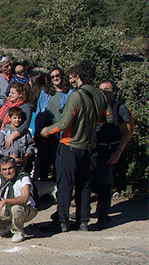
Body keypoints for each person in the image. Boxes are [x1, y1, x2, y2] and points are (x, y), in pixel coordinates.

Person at [42, 61, 106, 232]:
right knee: (84, 185)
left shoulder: (76, 95)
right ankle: (82, 221)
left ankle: (61, 222)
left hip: (70, 145)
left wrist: (47, 130)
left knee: (65, 184)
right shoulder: (100, 95)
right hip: (89, 147)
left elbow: (65, 122)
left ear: (78, 76)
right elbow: (108, 118)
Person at [93, 80, 133, 227]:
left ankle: (103, 215)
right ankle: (84, 211)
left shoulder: (119, 108)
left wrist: (118, 152)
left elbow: (127, 131)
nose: (103, 92)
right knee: (89, 180)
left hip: (109, 149)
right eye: (101, 89)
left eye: (107, 89)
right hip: (94, 148)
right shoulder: (96, 106)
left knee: (105, 182)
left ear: (114, 92)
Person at [0, 157, 37, 243]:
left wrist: (4, 201)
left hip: (26, 209)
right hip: (8, 208)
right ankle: (8, 228)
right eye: (4, 169)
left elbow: (24, 198)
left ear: (15, 167)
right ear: (1, 171)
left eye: (10, 168)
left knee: (15, 208)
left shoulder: (23, 177)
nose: (8, 172)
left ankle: (18, 231)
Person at [0, 83, 33, 155]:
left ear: (21, 94)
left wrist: (11, 137)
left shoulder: (25, 108)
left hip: (14, 140)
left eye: (13, 93)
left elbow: (24, 125)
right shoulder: (8, 105)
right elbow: (1, 120)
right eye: (10, 92)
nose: (9, 94)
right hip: (0, 135)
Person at [0, 107, 35, 173]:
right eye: (15, 118)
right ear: (9, 118)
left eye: (19, 118)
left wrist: (26, 155)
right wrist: (9, 156)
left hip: (23, 165)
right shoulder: (4, 132)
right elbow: (0, 148)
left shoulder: (25, 132)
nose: (17, 120)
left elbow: (31, 145)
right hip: (8, 166)